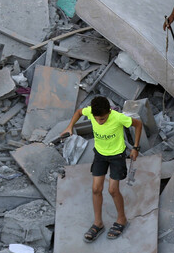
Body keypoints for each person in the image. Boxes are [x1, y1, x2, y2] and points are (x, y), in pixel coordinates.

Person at [61, 96, 143, 242]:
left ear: (109, 112)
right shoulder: (91, 112)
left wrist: (135, 147)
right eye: (97, 119)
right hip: (100, 155)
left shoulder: (118, 117)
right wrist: (70, 126)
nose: (99, 121)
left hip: (117, 156)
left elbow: (138, 124)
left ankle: (121, 219)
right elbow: (79, 112)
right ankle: (98, 223)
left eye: (103, 119)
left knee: (113, 190)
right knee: (96, 189)